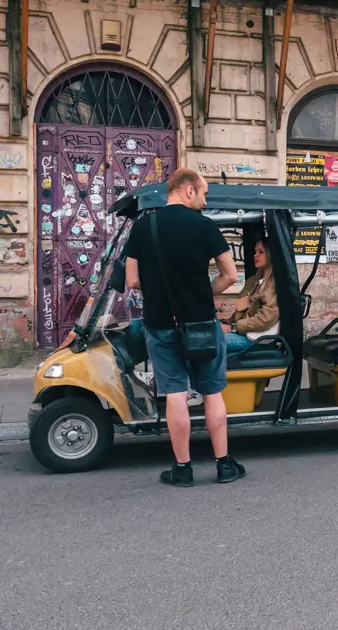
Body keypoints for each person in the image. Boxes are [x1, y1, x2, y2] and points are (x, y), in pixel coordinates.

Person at [125, 168, 245, 487]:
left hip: (160, 323)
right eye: (204, 194)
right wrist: (202, 293)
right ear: (189, 190)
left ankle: (182, 469)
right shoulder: (204, 226)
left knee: (175, 393)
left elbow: (133, 280)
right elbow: (231, 275)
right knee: (212, 392)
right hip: (202, 323)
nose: (204, 202)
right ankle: (224, 465)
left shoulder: (142, 226)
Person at [222, 237, 280, 351]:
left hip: (256, 338)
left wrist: (233, 327)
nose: (255, 255)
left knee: (210, 343)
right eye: (255, 252)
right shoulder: (253, 281)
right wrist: (224, 323)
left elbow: (265, 319)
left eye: (261, 252)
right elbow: (241, 309)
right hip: (244, 332)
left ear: (270, 255)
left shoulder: (274, 285)